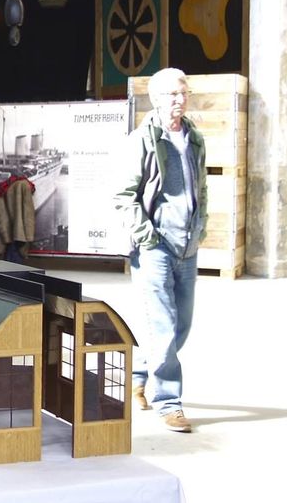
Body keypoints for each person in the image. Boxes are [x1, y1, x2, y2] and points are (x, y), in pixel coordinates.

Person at [113, 67, 207, 433]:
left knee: (181, 324)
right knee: (164, 326)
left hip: (188, 245)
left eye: (183, 93)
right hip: (155, 247)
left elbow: (201, 185)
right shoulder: (143, 139)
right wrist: (147, 236)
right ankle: (169, 402)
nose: (179, 100)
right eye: (171, 94)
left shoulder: (194, 137)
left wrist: (201, 226)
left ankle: (137, 373)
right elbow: (124, 195)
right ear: (155, 98)